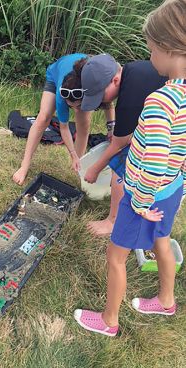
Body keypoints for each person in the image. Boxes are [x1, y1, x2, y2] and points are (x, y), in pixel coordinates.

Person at [74, 0, 186, 337]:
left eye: (151, 48)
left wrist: (138, 203)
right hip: (172, 188)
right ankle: (167, 301)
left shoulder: (160, 100)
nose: (149, 55)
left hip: (145, 196)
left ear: (167, 47)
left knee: (116, 256)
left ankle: (109, 321)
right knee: (162, 241)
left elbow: (152, 160)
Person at [79, 53, 167, 236]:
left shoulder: (128, 95)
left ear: (115, 79)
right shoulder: (133, 70)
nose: (102, 101)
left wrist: (95, 169)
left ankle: (113, 221)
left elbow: (120, 143)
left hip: (174, 129)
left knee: (120, 163)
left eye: (101, 95)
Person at [12, 53, 115, 185]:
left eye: (77, 107)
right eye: (71, 107)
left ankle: (77, 167)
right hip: (56, 75)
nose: (75, 110)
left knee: (84, 125)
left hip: (82, 80)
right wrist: (72, 153)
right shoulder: (62, 97)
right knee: (43, 118)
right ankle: (24, 166)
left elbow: (108, 104)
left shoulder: (93, 85)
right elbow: (64, 127)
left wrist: (111, 128)